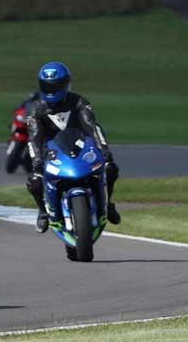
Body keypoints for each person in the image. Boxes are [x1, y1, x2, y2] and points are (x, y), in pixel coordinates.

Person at [25, 62, 121, 234]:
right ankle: (43, 212)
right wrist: (37, 161)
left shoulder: (79, 102)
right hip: (52, 152)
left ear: (66, 84)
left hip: (81, 147)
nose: (51, 90)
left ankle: (108, 204)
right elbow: (34, 137)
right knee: (34, 181)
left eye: (55, 86)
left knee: (111, 168)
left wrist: (105, 151)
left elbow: (92, 127)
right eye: (47, 86)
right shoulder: (35, 109)